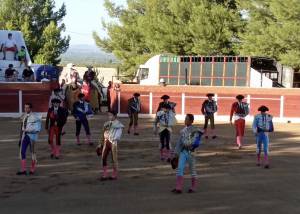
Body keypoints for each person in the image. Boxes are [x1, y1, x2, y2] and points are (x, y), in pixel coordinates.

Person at [172, 114, 203, 193]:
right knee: (180, 168)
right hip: (183, 151)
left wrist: (191, 144)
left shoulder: (195, 130)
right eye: (185, 119)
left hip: (191, 152)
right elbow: (179, 143)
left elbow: (196, 142)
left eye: (187, 119)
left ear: (191, 121)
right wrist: (176, 154)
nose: (185, 120)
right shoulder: (183, 131)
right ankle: (178, 187)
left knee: (192, 170)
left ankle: (193, 187)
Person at [97, 111, 124, 180]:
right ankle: (105, 174)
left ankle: (114, 174)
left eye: (111, 115)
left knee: (114, 159)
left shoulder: (118, 124)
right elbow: (102, 135)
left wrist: (113, 138)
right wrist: (100, 144)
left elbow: (118, 135)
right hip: (106, 142)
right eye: (108, 115)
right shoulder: (106, 124)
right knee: (103, 157)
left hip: (113, 143)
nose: (109, 117)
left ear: (115, 116)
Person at [17, 103, 42, 175]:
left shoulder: (36, 116)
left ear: (31, 109)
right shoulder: (24, 116)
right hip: (25, 136)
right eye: (25, 108)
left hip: (32, 136)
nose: (26, 109)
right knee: (22, 152)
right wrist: (20, 138)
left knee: (32, 153)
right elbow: (22, 128)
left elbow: (38, 129)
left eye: (27, 108)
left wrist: (29, 130)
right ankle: (23, 169)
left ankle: (32, 169)